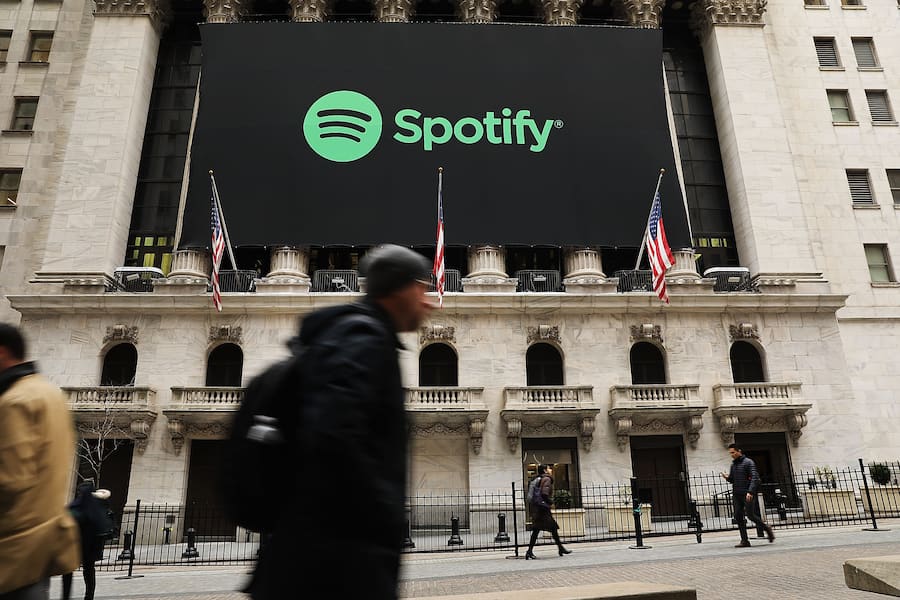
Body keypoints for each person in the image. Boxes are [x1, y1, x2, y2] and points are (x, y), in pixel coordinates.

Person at [247, 244, 434, 600]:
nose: (430, 302)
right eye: (423, 289)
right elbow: (333, 437)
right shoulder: (362, 340)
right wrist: (380, 516)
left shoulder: (354, 337)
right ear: (402, 289)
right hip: (332, 565)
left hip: (319, 557)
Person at [0, 323, 80, 600]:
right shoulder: (51, 394)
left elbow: (10, 480)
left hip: (14, 543)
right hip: (47, 538)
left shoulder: (15, 401)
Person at [62, 483, 114, 600]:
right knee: (88, 570)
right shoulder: (95, 507)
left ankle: (67, 596)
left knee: (69, 570)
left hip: (76, 545)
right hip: (88, 546)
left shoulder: (75, 506)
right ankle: (89, 596)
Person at [721, 443, 774, 547]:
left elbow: (754, 477)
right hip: (736, 494)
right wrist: (727, 477)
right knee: (738, 516)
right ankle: (744, 540)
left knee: (751, 515)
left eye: (733, 452)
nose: (732, 455)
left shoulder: (748, 462)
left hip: (747, 494)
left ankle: (766, 528)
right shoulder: (733, 465)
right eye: (730, 453)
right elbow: (732, 479)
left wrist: (750, 491)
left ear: (739, 451)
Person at [525, 464, 571, 559]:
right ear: (545, 470)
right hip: (543, 509)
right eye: (549, 468)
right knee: (551, 528)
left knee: (539, 530)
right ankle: (560, 548)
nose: (550, 470)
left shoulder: (537, 479)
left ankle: (560, 548)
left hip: (538, 508)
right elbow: (544, 494)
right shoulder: (547, 479)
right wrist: (551, 502)